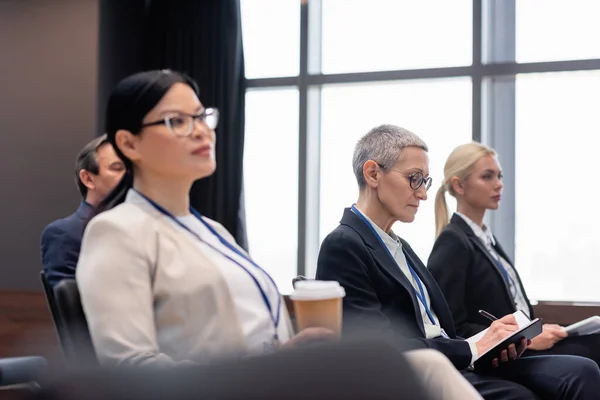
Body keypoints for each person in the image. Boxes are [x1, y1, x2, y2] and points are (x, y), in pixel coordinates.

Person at [316, 124, 600, 399]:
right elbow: (375, 350)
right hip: (425, 372)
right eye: (414, 178)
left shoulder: (401, 246)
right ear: (373, 174)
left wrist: (490, 341)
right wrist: (473, 346)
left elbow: (443, 326)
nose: (423, 193)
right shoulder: (344, 244)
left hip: (456, 361)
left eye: (425, 181)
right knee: (533, 390)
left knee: (580, 370)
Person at [428, 142, 600, 365]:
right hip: (503, 355)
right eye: (488, 177)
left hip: (521, 346)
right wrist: (521, 338)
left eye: (499, 176)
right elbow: (451, 326)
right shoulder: (453, 242)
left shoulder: (486, 239)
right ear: (459, 186)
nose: (498, 184)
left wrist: (534, 331)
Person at [41, 134, 124, 286]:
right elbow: (72, 306)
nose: (129, 176)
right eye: (117, 168)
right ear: (88, 179)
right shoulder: (65, 234)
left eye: (133, 169)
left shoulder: (150, 226)